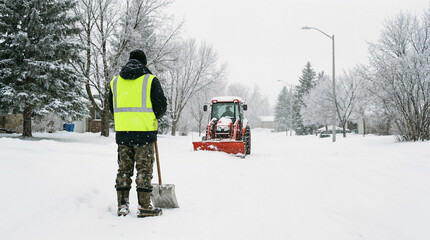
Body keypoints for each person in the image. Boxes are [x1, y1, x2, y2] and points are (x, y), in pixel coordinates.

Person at [109, 49, 167, 217]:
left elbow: (112, 108)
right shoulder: (150, 80)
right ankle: (144, 206)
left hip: (123, 133)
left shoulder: (115, 82)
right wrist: (150, 116)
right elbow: (161, 107)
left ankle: (122, 206)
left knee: (123, 170)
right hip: (145, 133)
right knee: (144, 170)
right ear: (144, 63)